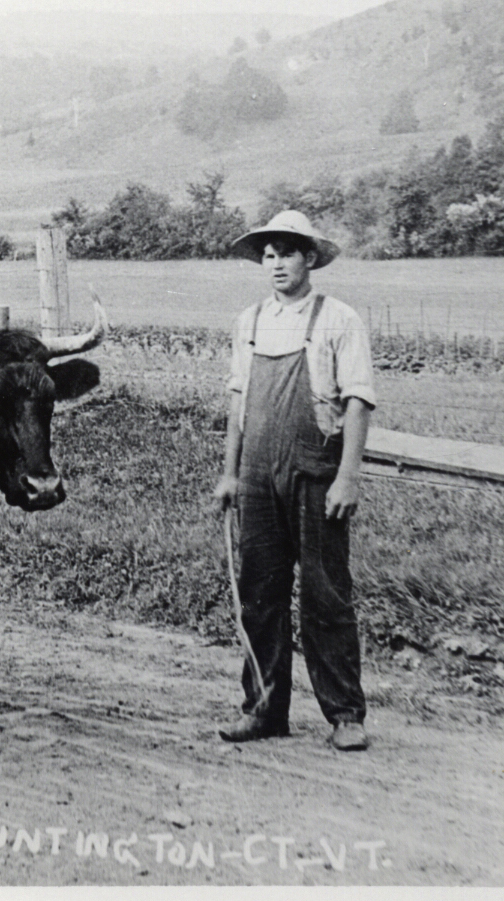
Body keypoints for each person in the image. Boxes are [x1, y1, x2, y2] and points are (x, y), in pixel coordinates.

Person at [213, 210, 376, 752]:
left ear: (310, 258)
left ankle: (345, 715)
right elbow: (238, 399)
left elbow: (357, 402)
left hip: (316, 471)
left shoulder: (338, 319)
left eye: (286, 251)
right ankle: (263, 710)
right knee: (261, 593)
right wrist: (231, 473)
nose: (276, 262)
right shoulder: (251, 321)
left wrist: (348, 477)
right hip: (258, 475)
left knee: (326, 595)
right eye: (268, 253)